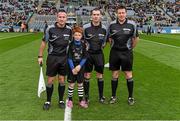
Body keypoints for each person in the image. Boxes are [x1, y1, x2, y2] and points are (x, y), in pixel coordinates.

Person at [38, 10, 72, 110]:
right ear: (57, 18)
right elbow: (44, 43)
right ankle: (48, 101)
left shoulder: (69, 30)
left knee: (62, 80)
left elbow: (71, 44)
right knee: (50, 80)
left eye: (64, 17)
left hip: (64, 58)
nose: (62, 19)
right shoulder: (50, 29)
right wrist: (40, 56)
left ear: (66, 18)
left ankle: (61, 100)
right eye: (60, 17)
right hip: (52, 57)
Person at [108, 5, 139, 105]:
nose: (121, 15)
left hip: (127, 53)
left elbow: (136, 38)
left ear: (126, 13)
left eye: (123, 13)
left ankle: (130, 97)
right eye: (119, 13)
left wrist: (130, 48)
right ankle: (113, 96)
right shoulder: (111, 24)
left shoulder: (132, 24)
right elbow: (109, 38)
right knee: (115, 74)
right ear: (116, 14)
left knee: (128, 74)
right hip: (115, 52)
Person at [83, 8, 108, 105]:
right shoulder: (85, 27)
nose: (96, 16)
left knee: (100, 75)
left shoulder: (104, 28)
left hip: (99, 54)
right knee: (87, 75)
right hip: (88, 54)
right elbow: (82, 40)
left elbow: (105, 42)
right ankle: (86, 97)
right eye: (94, 14)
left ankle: (101, 96)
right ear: (91, 16)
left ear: (101, 16)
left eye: (98, 14)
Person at [66, 26, 88, 108]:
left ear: (81, 36)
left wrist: (79, 66)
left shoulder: (84, 45)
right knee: (71, 84)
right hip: (72, 67)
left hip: (80, 67)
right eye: (76, 35)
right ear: (73, 36)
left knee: (80, 84)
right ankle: (70, 100)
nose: (77, 36)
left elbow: (85, 57)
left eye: (79, 35)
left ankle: (81, 100)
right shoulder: (70, 45)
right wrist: (72, 68)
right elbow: (69, 57)